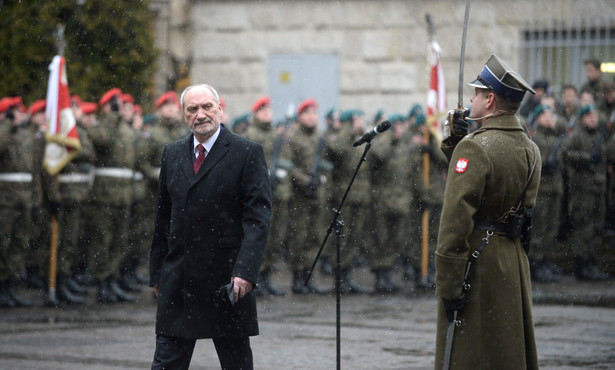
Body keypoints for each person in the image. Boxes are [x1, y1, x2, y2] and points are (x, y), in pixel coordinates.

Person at [149, 84, 272, 370]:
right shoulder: (173, 153)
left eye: (207, 107)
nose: (200, 114)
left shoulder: (246, 152)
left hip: (227, 280)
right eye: (192, 109)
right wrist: (158, 272)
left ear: (220, 109)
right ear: (184, 115)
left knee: (236, 362)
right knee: (166, 363)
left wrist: (245, 272)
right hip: (179, 279)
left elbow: (257, 219)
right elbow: (163, 218)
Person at [435, 54, 540, 369]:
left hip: (477, 264)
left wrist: (449, 286)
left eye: (477, 93)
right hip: (511, 261)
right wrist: (458, 142)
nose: (471, 98)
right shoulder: (530, 149)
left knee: (471, 354)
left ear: (490, 99)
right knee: (505, 352)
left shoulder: (476, 146)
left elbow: (456, 221)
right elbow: (497, 189)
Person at [561, 104, 610, 281]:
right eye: (589, 116)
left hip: (598, 189)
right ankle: (582, 265)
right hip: (582, 190)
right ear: (582, 118)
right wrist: (586, 158)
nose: (593, 119)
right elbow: (565, 153)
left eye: (595, 116)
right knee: (584, 227)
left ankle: (590, 263)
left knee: (596, 227)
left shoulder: (599, 136)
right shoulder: (577, 135)